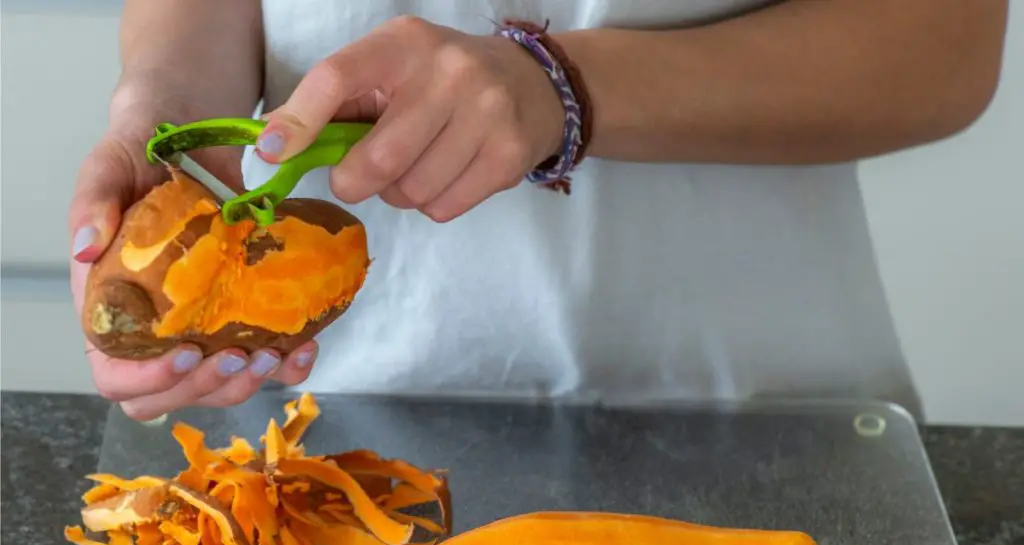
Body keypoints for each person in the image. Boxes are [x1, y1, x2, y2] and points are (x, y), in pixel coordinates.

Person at [69, 0, 1008, 423]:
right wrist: (163, 109)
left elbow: (947, 42)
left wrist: (557, 88)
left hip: (746, 412)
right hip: (314, 423)